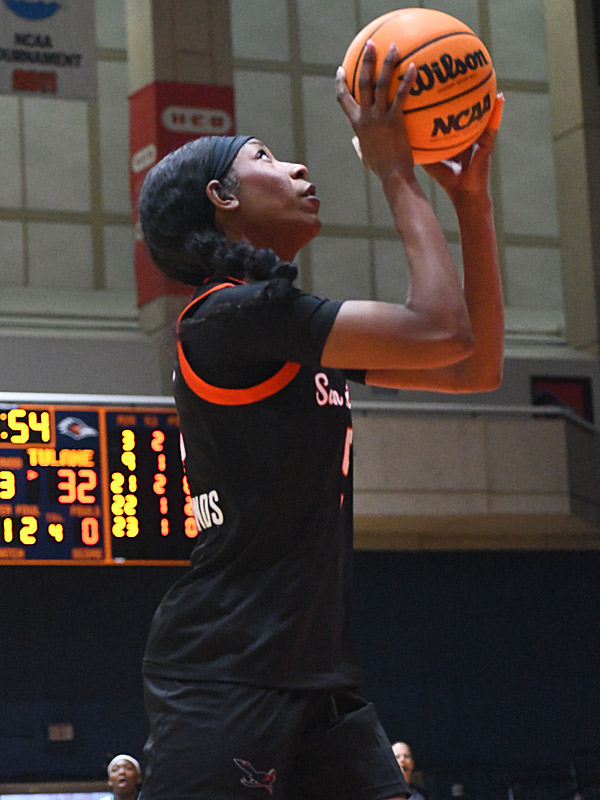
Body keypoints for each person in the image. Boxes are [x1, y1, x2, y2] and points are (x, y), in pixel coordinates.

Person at [136, 39, 504, 800]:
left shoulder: (280, 328)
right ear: (222, 199)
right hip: (226, 676)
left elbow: (474, 368)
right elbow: (444, 330)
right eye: (266, 157)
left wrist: (472, 201)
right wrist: (395, 172)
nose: (300, 168)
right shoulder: (229, 320)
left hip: (318, 683)